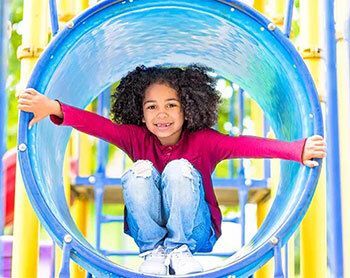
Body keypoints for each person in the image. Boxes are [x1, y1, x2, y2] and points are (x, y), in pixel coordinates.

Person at [18, 65, 326, 276]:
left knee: (180, 169)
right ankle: (153, 252)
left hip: (196, 232)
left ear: (188, 107)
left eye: (172, 105)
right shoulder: (136, 138)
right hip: (150, 233)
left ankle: (179, 250)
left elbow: (248, 145)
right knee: (139, 170)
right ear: (140, 111)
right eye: (151, 106)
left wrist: (297, 150)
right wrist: (54, 108)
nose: (161, 114)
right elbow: (99, 126)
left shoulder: (204, 141)